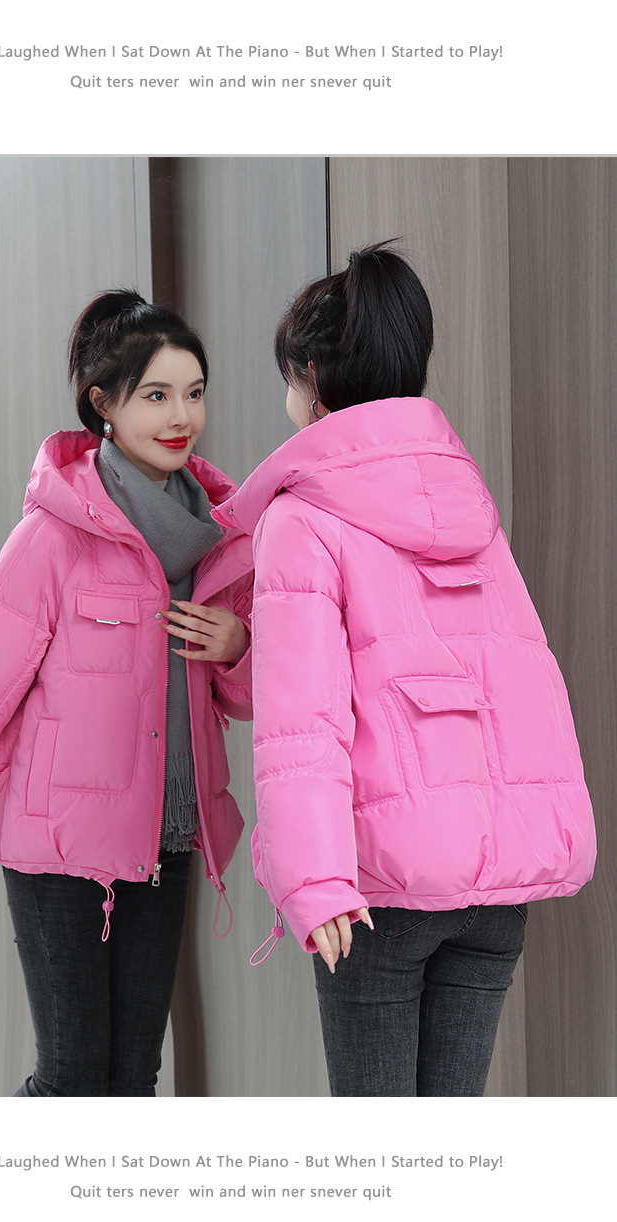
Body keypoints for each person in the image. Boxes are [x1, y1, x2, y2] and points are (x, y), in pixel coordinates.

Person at [215, 242, 596, 1097]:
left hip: (377, 894)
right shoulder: (469, 504)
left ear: (313, 378)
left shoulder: (303, 520)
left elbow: (303, 724)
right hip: (496, 888)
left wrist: (316, 884)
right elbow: (518, 686)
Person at [0, 290, 253, 1096]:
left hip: (166, 837)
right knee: (72, 1080)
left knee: (133, 1080)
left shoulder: (219, 542)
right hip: (60, 847)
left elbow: (248, 698)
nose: (181, 416)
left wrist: (239, 646)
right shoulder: (54, 537)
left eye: (194, 392)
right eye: (156, 395)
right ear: (104, 405)